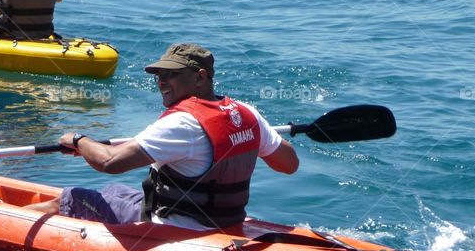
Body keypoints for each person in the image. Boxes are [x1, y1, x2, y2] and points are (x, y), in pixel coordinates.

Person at [29, 43, 300, 230]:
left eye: (171, 75)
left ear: (200, 77)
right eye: (158, 75)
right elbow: (289, 165)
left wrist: (78, 140)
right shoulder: (247, 113)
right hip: (226, 221)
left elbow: (109, 163)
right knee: (115, 192)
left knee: (73, 198)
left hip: (177, 228)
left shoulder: (182, 123)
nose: (161, 82)